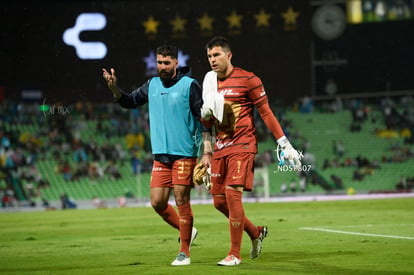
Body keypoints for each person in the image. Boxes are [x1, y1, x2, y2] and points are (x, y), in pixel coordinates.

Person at [200, 36, 301, 266]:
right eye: (209, 56)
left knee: (232, 194)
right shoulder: (209, 82)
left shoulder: (248, 79)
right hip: (220, 148)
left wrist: (284, 144)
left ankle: (234, 254)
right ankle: (256, 233)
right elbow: (206, 124)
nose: (212, 60)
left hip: (243, 144)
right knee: (218, 202)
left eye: (216, 55)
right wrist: (206, 153)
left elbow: (265, 112)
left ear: (229, 55)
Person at [102, 43, 204, 266]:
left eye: (167, 62)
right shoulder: (152, 85)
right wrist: (115, 89)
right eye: (159, 62)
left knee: (181, 199)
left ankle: (184, 252)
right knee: (157, 202)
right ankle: (188, 230)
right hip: (161, 156)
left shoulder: (190, 85)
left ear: (176, 62)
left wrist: (207, 152)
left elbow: (203, 119)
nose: (162, 67)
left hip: (184, 154)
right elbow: (129, 102)